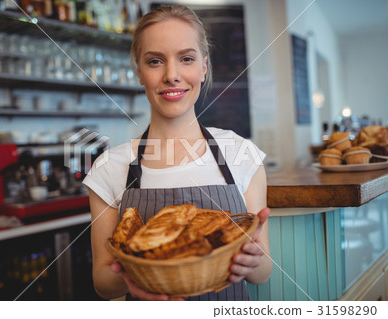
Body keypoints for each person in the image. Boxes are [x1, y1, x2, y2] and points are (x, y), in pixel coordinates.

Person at [83, 4, 272, 301]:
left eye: (186, 58)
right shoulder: (110, 167)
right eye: (155, 61)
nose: (172, 75)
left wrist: (253, 261)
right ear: (139, 72)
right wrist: (131, 278)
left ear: (204, 66)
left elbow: (263, 273)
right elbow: (102, 281)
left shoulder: (241, 154)